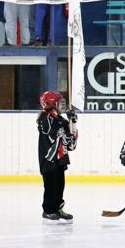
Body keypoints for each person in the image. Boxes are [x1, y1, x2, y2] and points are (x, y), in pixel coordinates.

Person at [38, 91, 77, 223]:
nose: (62, 105)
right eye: (59, 103)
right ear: (50, 104)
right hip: (49, 159)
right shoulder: (45, 118)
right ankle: (48, 210)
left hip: (60, 159)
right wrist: (64, 135)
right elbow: (52, 135)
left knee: (60, 185)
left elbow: (71, 145)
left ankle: (58, 208)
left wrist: (72, 122)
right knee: (51, 186)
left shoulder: (61, 120)